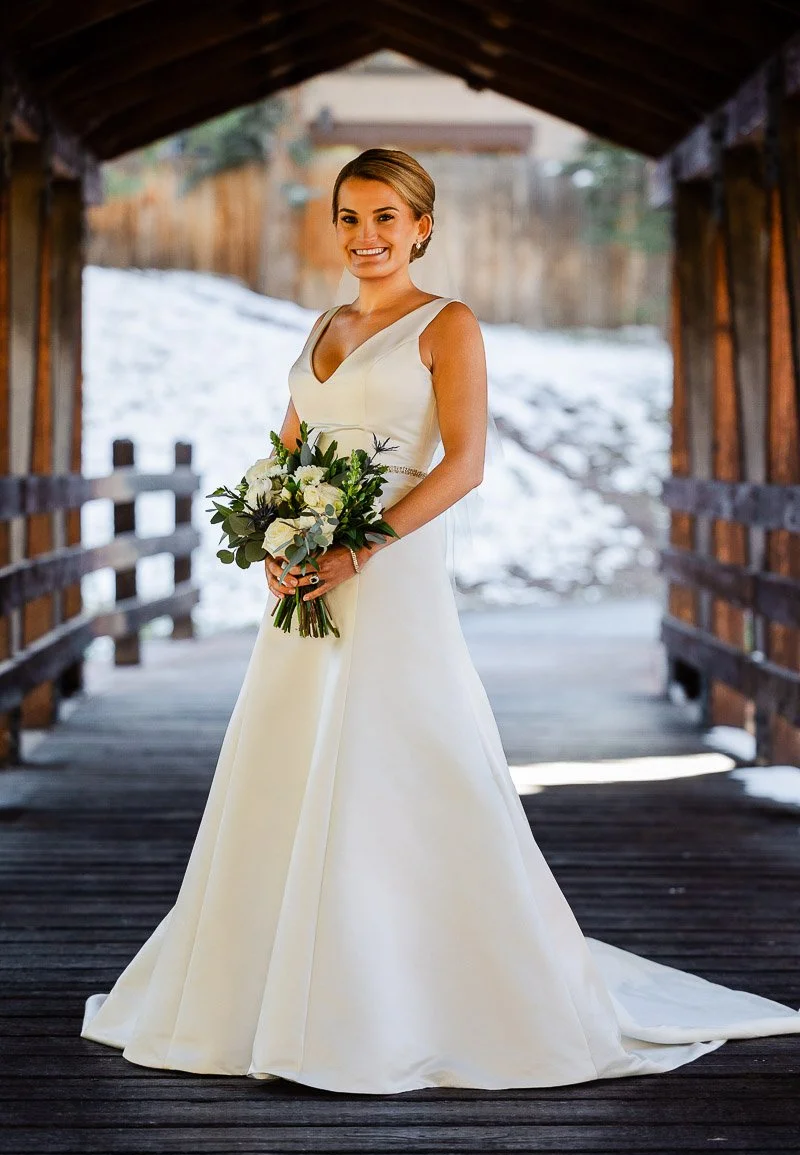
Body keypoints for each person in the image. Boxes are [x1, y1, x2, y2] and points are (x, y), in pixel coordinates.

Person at [81, 148, 800, 1094]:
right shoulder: (323, 326)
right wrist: (275, 537)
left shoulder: (446, 325)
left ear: (421, 227)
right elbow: (290, 447)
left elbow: (463, 465)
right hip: (311, 573)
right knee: (290, 752)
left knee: (400, 749)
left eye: (385, 219)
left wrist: (357, 545)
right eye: (349, 218)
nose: (365, 237)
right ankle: (272, 979)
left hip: (388, 568)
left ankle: (409, 989)